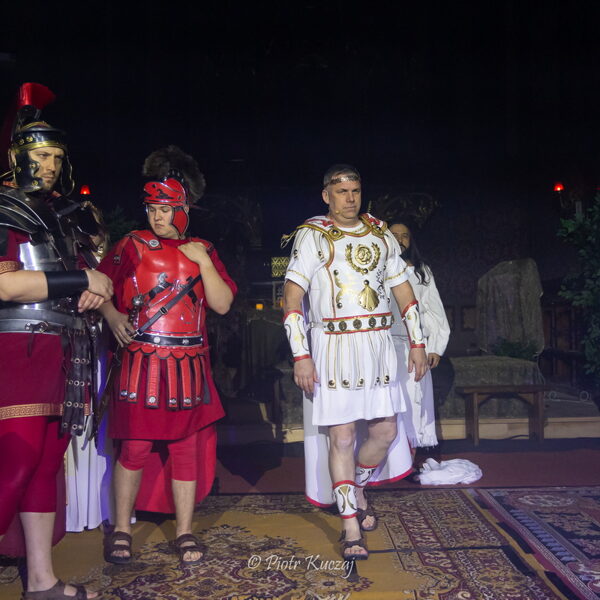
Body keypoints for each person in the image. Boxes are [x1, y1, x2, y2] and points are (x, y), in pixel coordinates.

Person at [97, 146, 236, 566]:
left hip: (189, 366)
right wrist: (112, 315)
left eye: (165, 209)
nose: (157, 217)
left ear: (184, 208)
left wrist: (204, 263)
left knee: (186, 451)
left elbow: (222, 304)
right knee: (134, 449)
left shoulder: (203, 249)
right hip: (141, 365)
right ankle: (122, 529)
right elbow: (98, 286)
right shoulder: (132, 244)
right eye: (152, 209)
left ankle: (185, 531)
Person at [0, 84, 112, 599]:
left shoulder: (59, 215)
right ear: (16, 155)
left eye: (57, 157)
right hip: (15, 352)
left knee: (46, 466)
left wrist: (86, 291)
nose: (49, 165)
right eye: (41, 155)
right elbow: (5, 285)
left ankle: (41, 581)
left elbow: (75, 277)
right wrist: (80, 281)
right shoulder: (3, 208)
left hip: (63, 352)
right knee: (16, 464)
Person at [282, 164, 428, 560]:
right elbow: (292, 299)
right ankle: (349, 524)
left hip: (378, 345)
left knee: (386, 432)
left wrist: (417, 342)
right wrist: (301, 355)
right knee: (343, 437)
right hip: (333, 345)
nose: (350, 198)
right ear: (326, 195)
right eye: (341, 191)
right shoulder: (312, 235)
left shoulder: (381, 233)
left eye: (355, 190)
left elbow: (404, 291)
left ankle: (357, 487)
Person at [389, 221, 450, 450]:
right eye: (394, 235)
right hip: (384, 344)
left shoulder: (420, 271)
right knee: (389, 403)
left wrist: (434, 347)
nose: (399, 240)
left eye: (404, 236)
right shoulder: (375, 269)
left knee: (413, 401)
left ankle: (410, 457)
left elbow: (434, 310)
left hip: (414, 346)